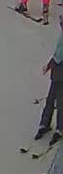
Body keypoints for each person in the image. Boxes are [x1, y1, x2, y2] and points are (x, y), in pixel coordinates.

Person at [39, 11, 63, 142]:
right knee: (57, 101)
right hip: (57, 73)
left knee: (54, 100)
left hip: (59, 73)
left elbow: (58, 56)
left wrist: (48, 65)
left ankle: (48, 124)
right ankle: (56, 127)